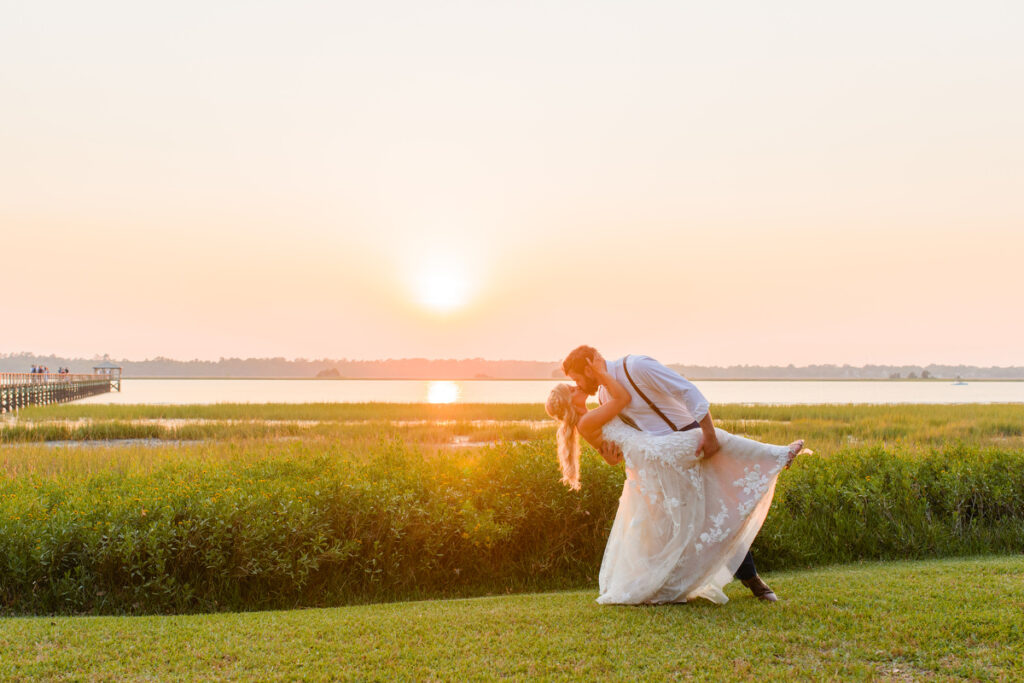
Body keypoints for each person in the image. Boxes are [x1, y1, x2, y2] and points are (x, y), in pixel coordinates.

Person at [546, 346, 804, 605]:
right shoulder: (604, 394)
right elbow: (618, 437)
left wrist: (709, 433)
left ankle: (751, 576)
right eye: (571, 385)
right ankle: (778, 456)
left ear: (589, 367)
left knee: (714, 508)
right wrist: (611, 456)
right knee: (690, 520)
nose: (576, 385)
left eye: (576, 379)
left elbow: (686, 390)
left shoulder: (636, 367)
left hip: (682, 440)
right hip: (659, 460)